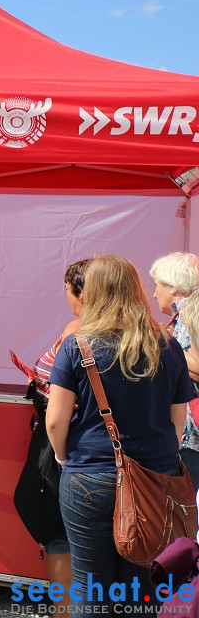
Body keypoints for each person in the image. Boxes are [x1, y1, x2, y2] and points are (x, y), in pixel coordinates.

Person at [47, 255, 191, 612]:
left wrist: (65, 458)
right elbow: (177, 422)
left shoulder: (77, 344)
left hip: (89, 475)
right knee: (140, 586)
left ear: (93, 291)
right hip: (153, 476)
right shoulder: (166, 344)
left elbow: (55, 420)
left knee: (90, 584)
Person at [20, 258, 89, 608]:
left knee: (61, 536)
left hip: (68, 452)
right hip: (97, 452)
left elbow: (60, 412)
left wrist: (60, 456)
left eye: (67, 290)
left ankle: (65, 612)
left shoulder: (78, 330)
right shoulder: (134, 331)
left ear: (79, 291)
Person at [150, 252, 199, 489]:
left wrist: (164, 347)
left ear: (172, 287)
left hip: (192, 436)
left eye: (157, 285)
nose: (154, 292)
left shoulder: (191, 315)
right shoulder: (184, 316)